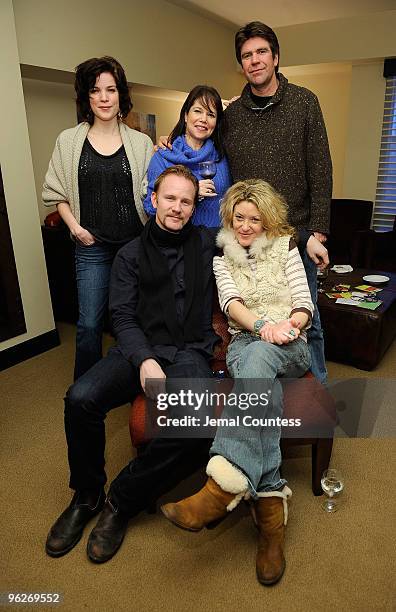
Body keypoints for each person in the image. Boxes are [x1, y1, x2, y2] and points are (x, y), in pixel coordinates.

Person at [45, 165, 218, 563]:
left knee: (197, 425)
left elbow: (255, 233)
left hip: (189, 350)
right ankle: (87, 496)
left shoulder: (209, 243)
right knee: (80, 398)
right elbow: (121, 316)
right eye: (170, 198)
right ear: (154, 199)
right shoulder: (130, 254)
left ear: (194, 208)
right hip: (137, 347)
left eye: (186, 201)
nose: (177, 207)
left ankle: (120, 502)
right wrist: (144, 360)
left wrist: (309, 238)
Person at [161, 179, 313, 586]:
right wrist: (264, 327)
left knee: (261, 359)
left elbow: (304, 303)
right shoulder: (221, 258)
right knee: (257, 364)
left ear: (268, 221)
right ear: (230, 219)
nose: (245, 226)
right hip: (247, 342)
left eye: (254, 219)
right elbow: (231, 304)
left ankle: (222, 489)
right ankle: (270, 522)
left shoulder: (287, 250)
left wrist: (288, 326)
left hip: (293, 343)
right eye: (238, 218)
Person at [223, 21, 331, 384]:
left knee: (307, 322)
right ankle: (268, 393)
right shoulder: (231, 115)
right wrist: (168, 143)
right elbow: (199, 141)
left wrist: (317, 231)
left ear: (276, 57)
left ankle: (318, 404)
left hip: (295, 236)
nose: (254, 61)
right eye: (247, 56)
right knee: (257, 321)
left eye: (261, 52)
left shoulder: (304, 102)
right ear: (242, 64)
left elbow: (321, 168)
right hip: (248, 239)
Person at [42, 56, 153, 380]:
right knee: (90, 324)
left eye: (111, 89)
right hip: (91, 247)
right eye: (95, 90)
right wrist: (75, 228)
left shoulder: (141, 143)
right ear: (86, 97)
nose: (104, 97)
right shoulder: (69, 141)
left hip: (134, 248)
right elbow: (55, 191)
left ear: (121, 95)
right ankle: (86, 394)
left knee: (133, 321)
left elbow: (153, 193)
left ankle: (134, 384)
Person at [144, 85, 231, 228]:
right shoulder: (163, 157)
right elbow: (150, 207)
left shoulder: (221, 157)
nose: (204, 119)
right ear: (185, 115)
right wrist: (191, 193)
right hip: (178, 243)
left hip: (216, 243)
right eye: (198, 111)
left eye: (211, 115)